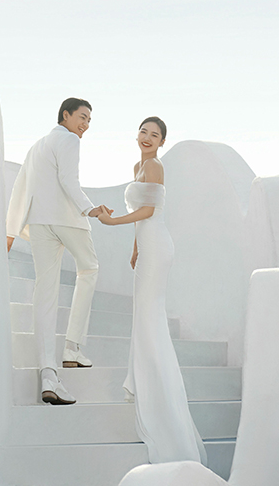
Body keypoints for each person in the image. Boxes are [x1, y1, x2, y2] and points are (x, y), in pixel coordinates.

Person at [96, 116, 206, 464]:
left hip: (158, 247)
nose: (147, 137)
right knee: (143, 315)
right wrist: (134, 247)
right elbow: (141, 215)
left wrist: (112, 222)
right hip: (146, 245)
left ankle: (158, 392)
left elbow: (148, 210)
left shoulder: (155, 166)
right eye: (143, 131)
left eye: (154, 135)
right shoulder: (138, 167)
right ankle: (145, 382)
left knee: (149, 316)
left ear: (162, 143)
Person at [6, 97, 111, 406]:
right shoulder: (68, 140)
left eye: (89, 120)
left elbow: (20, 188)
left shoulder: (36, 146)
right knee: (89, 269)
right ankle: (72, 347)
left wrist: (11, 230)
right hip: (68, 220)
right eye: (82, 116)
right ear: (65, 115)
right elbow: (68, 179)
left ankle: (48, 374)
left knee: (45, 292)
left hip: (39, 223)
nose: (85, 124)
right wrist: (90, 209)